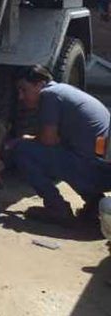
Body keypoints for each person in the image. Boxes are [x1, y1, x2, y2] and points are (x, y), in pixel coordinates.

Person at [13, 65, 111, 229]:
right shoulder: (64, 91)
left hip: (95, 172)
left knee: (23, 150)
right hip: (103, 170)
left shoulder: (49, 95)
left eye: (24, 90)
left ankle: (57, 208)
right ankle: (94, 204)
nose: (20, 97)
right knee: (70, 153)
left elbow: (48, 140)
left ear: (40, 84)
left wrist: (23, 140)